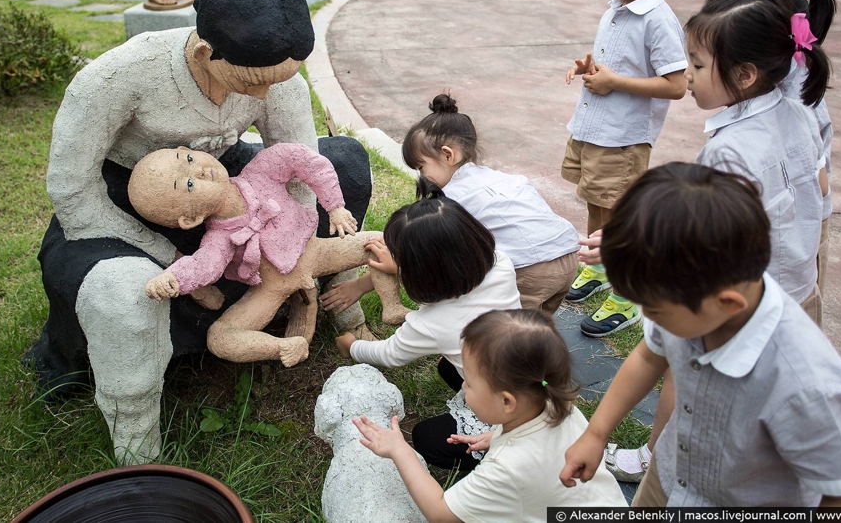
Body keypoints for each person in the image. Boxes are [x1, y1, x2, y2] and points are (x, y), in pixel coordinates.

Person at [24, 0, 375, 465]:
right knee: (121, 293)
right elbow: (73, 191)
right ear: (207, 52)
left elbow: (301, 166)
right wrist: (164, 251)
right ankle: (138, 446)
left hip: (228, 184)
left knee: (341, 163)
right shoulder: (116, 78)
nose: (262, 95)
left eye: (276, 82)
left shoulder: (275, 79)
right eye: (251, 82)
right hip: (128, 201)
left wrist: (287, 245)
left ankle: (316, 300)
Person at [604, 0, 832, 485]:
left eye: (698, 65)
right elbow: (819, 187)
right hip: (793, 287)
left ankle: (659, 469)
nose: (688, 74)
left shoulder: (730, 151)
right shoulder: (798, 110)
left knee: (682, 376)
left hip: (738, 302)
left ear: (745, 74)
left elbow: (707, 240)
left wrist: (638, 243)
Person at [559, 163, 841, 507]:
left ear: (727, 304)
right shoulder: (693, 301)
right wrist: (596, 433)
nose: (647, 316)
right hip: (669, 478)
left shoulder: (807, 387)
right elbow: (649, 355)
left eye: (654, 309)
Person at [126, 144, 407, 365]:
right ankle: (283, 347)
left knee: (379, 241)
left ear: (189, 151)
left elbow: (301, 159)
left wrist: (334, 205)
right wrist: (173, 278)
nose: (198, 171)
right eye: (188, 185)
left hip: (317, 253)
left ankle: (391, 306)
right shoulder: (219, 238)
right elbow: (204, 265)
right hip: (270, 288)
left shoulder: (260, 172)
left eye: (188, 161)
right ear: (191, 218)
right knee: (220, 338)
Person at [322, 93, 580, 316]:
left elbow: (430, 258)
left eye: (421, 167)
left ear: (447, 155)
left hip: (529, 270)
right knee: (539, 328)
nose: (422, 177)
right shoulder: (503, 178)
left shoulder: (452, 201)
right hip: (567, 257)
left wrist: (366, 282)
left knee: (509, 342)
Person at [356, 309, 627, 522]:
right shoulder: (561, 406)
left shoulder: (506, 468)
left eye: (470, 383)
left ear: (507, 402)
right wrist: (495, 436)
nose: (462, 386)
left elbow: (441, 514)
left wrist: (398, 450)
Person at [561, 0, 688, 338]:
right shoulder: (618, 5)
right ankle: (601, 270)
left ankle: (629, 293)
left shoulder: (658, 20)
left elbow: (676, 84)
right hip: (596, 129)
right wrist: (591, 68)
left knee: (620, 216)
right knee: (598, 205)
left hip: (623, 139)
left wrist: (615, 82)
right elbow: (618, 64)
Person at [335, 181, 522, 473]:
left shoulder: (433, 324)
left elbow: (389, 354)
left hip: (508, 415)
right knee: (448, 366)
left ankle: (497, 457)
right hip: (527, 370)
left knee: (426, 438)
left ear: (425, 275)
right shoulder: (500, 264)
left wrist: (351, 345)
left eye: (404, 262)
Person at [726, 0, 837, 296]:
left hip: (794, 234)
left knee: (791, 313)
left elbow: (817, 182)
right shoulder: (763, 79)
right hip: (771, 229)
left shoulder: (796, 100)